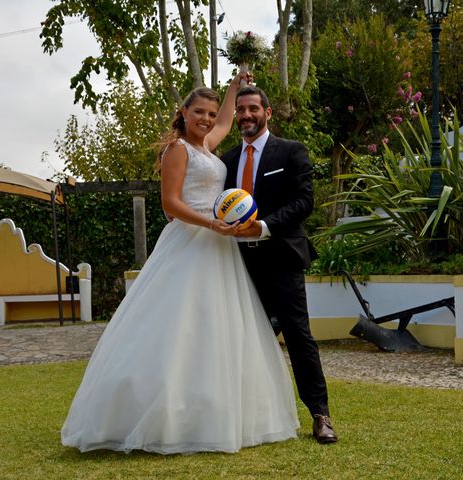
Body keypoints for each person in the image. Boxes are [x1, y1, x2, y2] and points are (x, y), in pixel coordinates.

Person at [61, 75, 300, 454]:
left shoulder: (207, 145)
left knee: (215, 326)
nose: (207, 119)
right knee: (177, 325)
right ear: (183, 113)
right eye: (198, 112)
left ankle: (212, 411)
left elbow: (225, 121)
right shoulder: (178, 150)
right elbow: (170, 204)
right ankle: (159, 414)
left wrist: (235, 86)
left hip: (219, 247)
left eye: (209, 113)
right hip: (190, 240)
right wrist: (211, 223)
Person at [221, 86, 338, 444]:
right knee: (240, 338)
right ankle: (239, 416)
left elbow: (304, 201)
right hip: (237, 262)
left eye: (253, 108)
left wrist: (265, 225)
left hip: (282, 256)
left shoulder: (291, 151)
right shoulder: (225, 161)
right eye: (241, 109)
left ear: (267, 113)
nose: (246, 115)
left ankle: (320, 415)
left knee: (298, 336)